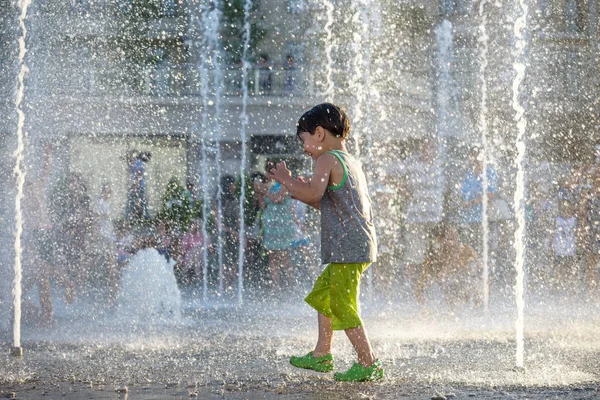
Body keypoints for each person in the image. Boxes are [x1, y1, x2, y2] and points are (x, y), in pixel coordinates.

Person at [268, 103, 383, 382]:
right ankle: (322, 353)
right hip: (358, 244)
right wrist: (301, 192)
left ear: (319, 133)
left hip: (347, 247)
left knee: (343, 303)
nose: (305, 149)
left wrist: (287, 181)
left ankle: (368, 363)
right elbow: (331, 203)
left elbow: (314, 193)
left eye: (304, 141)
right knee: (324, 293)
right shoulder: (349, 161)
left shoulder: (326, 159)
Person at [394, 138, 445, 295]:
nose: (429, 150)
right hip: (415, 217)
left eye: (432, 146)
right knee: (414, 253)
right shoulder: (411, 162)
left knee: (436, 253)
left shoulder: (441, 163)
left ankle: (431, 285)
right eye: (426, 146)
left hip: (435, 218)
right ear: (421, 147)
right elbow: (397, 181)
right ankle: (411, 285)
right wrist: (406, 192)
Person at [417, 222, 479, 309]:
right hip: (443, 294)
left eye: (456, 237)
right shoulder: (435, 256)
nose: (455, 241)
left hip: (463, 289)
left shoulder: (467, 251)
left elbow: (477, 271)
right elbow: (425, 283)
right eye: (451, 238)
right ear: (439, 240)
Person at [261, 173, 296, 289]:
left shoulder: (286, 184)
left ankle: (291, 283)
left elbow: (278, 198)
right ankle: (276, 285)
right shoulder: (270, 186)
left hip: (282, 225)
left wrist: (264, 191)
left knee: (283, 254)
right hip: (271, 226)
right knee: (272, 255)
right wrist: (260, 194)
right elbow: (262, 205)